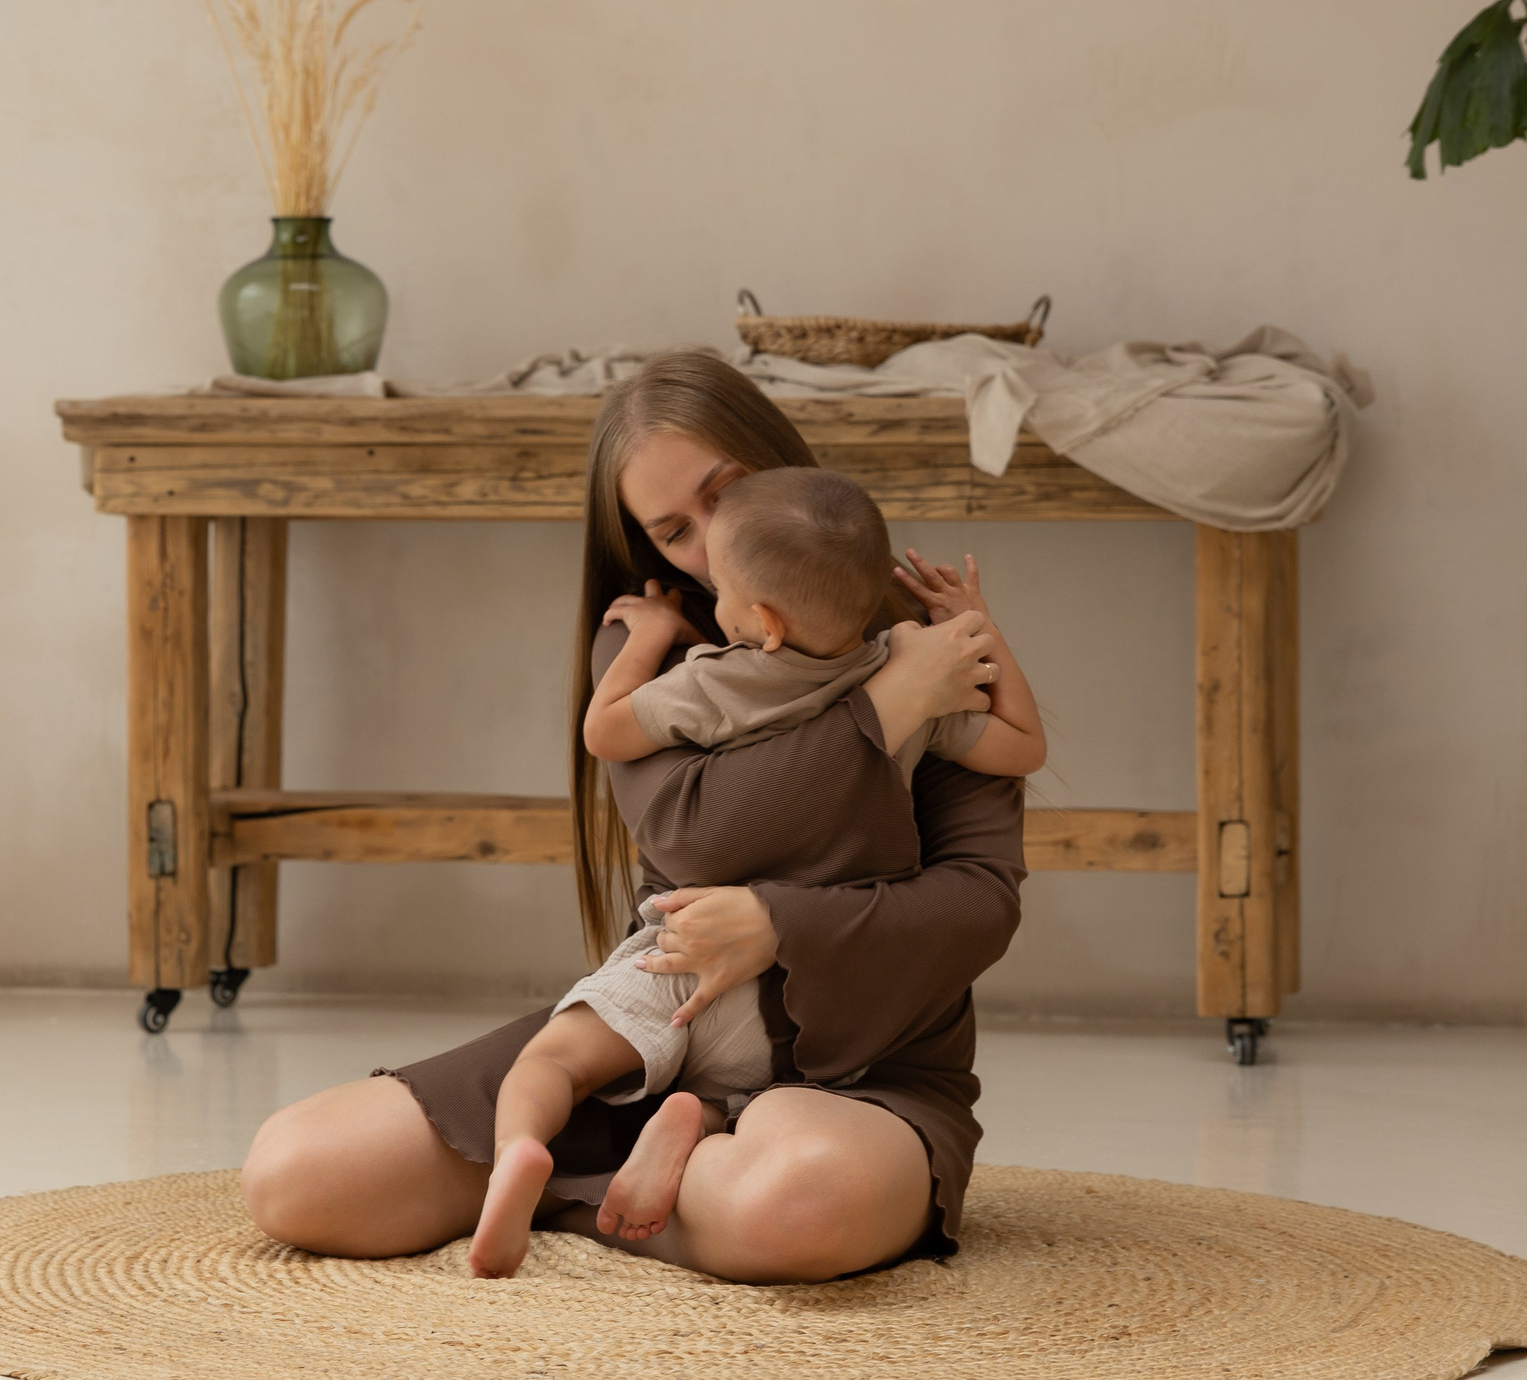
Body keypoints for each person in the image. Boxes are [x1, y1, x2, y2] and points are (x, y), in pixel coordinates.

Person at [240, 349, 1028, 1284]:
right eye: (672, 529)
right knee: (296, 1177)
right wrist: (883, 712)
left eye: (726, 492)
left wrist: (784, 925)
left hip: (866, 1071)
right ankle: (659, 1179)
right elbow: (699, 838)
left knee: (800, 1201)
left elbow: (981, 901)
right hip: (666, 1035)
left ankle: (632, 1180)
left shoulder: (913, 643)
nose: (709, 540)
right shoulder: (651, 651)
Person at [465, 467, 1045, 1276]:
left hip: (686, 946)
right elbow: (1023, 746)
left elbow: (606, 732)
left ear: (761, 623)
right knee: (757, 1089)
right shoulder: (913, 674)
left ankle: (520, 1153)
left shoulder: (715, 678)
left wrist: (648, 635)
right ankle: (703, 1117)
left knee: (555, 1059)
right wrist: (982, 629)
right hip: (802, 999)